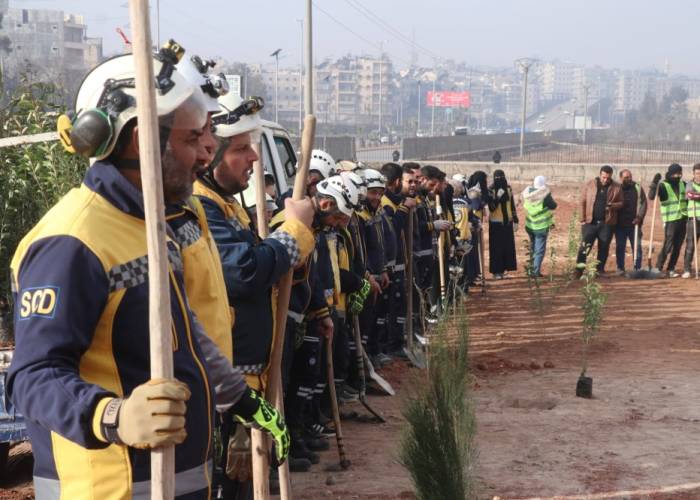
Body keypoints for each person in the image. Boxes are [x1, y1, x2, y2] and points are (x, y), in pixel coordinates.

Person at [9, 49, 287, 499]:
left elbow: (184, 332)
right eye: (193, 137)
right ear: (143, 141)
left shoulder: (151, 227)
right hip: (108, 489)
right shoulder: (73, 241)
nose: (206, 153)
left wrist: (235, 396)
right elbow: (32, 375)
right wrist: (113, 415)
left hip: (176, 482)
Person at [193, 92, 315, 490]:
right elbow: (244, 272)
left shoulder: (225, 206)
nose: (254, 158)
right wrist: (294, 231)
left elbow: (265, 269)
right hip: (222, 389)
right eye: (241, 149)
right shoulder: (200, 207)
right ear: (210, 154)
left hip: (246, 383)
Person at [577, 165, 623, 274]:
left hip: (606, 223)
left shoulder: (617, 187)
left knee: (603, 247)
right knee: (585, 246)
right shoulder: (590, 184)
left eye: (608, 178)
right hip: (590, 223)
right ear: (600, 174)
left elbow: (621, 203)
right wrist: (582, 218)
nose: (605, 180)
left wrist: (612, 205)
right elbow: (582, 201)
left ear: (611, 176)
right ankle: (579, 270)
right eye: (603, 177)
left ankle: (599, 270)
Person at [649, 163, 687, 277]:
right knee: (668, 245)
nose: (678, 176)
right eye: (676, 174)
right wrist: (654, 183)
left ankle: (671, 268)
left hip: (683, 219)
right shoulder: (663, 186)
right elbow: (651, 196)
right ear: (670, 173)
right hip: (670, 221)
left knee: (678, 246)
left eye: (680, 173)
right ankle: (658, 268)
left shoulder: (683, 184)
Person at [522, 176, 558, 277]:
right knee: (539, 251)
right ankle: (535, 272)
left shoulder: (527, 193)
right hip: (541, 227)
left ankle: (531, 270)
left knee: (532, 248)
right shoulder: (545, 194)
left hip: (530, 225)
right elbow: (553, 205)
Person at [614, 169, 647, 275]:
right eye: (626, 177)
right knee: (620, 246)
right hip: (620, 225)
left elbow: (643, 203)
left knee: (637, 247)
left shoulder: (637, 187)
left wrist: (639, 217)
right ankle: (620, 268)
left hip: (634, 224)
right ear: (621, 178)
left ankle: (637, 268)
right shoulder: (617, 188)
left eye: (630, 176)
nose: (629, 179)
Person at [488, 169, 518, 279]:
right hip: (496, 223)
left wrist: (515, 219)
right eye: (497, 178)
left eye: (501, 177)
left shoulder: (508, 188)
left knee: (507, 247)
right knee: (496, 248)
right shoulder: (491, 190)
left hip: (507, 222)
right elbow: (491, 208)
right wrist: (497, 198)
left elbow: (512, 204)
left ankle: (504, 270)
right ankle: (496, 272)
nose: (500, 179)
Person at [682, 163, 700, 278]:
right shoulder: (689, 184)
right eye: (697, 173)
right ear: (693, 174)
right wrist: (695, 195)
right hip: (693, 220)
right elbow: (690, 195)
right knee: (690, 245)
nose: (699, 175)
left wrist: (696, 195)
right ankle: (687, 269)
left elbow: (695, 195)